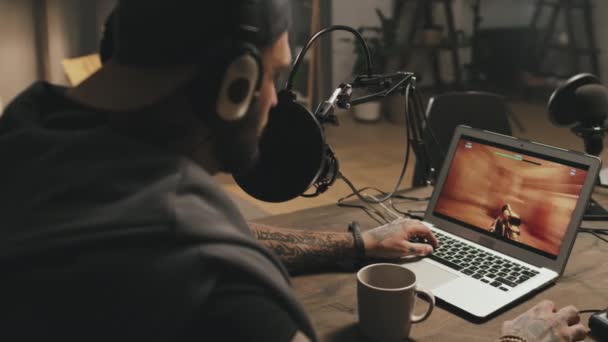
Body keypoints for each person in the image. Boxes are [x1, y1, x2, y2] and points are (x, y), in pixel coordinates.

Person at [0, 1, 587, 341]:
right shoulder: (220, 296)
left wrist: (355, 244)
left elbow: (226, 236)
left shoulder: (28, 130)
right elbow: (205, 252)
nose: (278, 107)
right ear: (235, 86)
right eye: (276, 81)